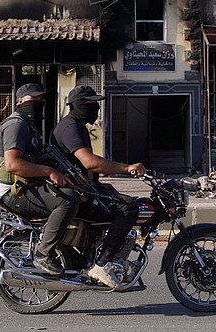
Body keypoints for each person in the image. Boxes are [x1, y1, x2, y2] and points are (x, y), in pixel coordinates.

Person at [51, 85, 146, 288]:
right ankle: (102, 264)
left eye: (97, 104)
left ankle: (97, 254)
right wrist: (127, 167)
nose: (96, 108)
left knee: (118, 199)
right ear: (77, 105)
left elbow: (82, 168)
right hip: (74, 195)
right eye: (91, 104)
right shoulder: (70, 128)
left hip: (82, 189)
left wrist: (100, 185)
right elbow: (90, 162)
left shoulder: (77, 126)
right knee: (128, 208)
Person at [0, 82, 78, 276]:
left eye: (41, 99)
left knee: (77, 195)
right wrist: (49, 172)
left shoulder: (28, 126)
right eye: (34, 98)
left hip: (23, 185)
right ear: (20, 101)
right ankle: (43, 254)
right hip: (12, 190)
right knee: (67, 200)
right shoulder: (16, 124)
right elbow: (12, 165)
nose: (38, 102)